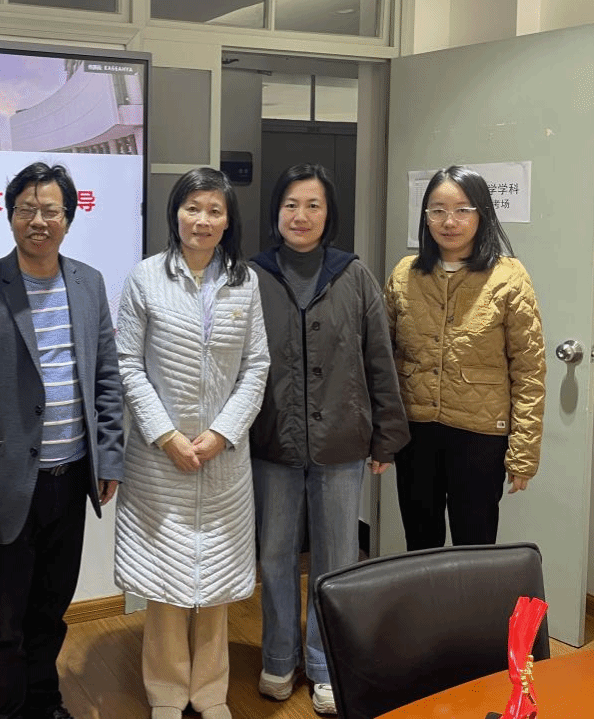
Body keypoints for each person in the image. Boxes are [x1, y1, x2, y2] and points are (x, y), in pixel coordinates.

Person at [0, 162, 124, 719]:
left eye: (50, 211)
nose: (38, 221)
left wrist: (109, 457)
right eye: (27, 210)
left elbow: (106, 378)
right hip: (3, 488)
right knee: (3, 620)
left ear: (68, 217)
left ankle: (44, 701)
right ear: (10, 215)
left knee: (50, 609)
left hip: (71, 479)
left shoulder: (88, 283)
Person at [249, 163, 409, 715]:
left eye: (313, 205)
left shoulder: (354, 275)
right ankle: (278, 657)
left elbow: (379, 357)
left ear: (328, 213)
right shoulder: (252, 277)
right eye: (291, 204)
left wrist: (387, 435)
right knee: (274, 555)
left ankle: (324, 664)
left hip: (342, 439)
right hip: (272, 440)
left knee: (336, 558)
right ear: (276, 212)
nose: (301, 215)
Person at [113, 168, 269, 719]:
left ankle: (210, 692)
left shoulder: (245, 282)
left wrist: (223, 432)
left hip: (223, 455)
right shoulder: (146, 277)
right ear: (175, 213)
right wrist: (167, 436)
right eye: (192, 208)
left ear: (228, 222)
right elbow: (128, 364)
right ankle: (166, 692)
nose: (202, 220)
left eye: (214, 211)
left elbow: (256, 366)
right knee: (164, 579)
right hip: (162, 458)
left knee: (217, 580)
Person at [385, 165, 546, 550]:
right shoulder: (405, 274)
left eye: (462, 210)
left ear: (482, 213)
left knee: (475, 546)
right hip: (416, 432)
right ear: (425, 217)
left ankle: (471, 596)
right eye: (437, 210)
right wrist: (380, 433)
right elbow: (382, 360)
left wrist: (523, 453)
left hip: (480, 437)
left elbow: (529, 370)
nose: (449, 221)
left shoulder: (509, 277)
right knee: (420, 544)